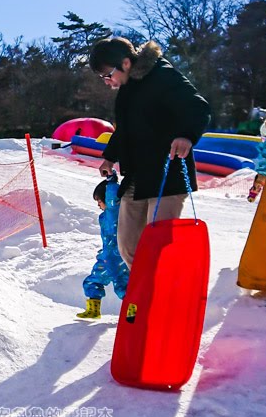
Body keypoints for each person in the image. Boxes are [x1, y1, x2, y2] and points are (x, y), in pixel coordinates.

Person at [90, 37, 211, 268]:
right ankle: (144, 294)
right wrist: (110, 156)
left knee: (156, 245)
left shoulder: (162, 76)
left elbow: (198, 107)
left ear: (125, 63)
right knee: (128, 244)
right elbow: (126, 128)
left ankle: (164, 295)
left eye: (108, 75)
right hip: (137, 175)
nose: (107, 81)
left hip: (167, 174)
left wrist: (186, 135)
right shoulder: (128, 89)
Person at [80, 176, 130, 319]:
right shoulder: (104, 217)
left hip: (119, 259)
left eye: (99, 201)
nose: (98, 205)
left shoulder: (115, 213)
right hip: (106, 258)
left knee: (123, 288)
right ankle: (93, 311)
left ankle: (134, 314)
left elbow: (113, 200)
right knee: (92, 282)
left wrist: (111, 182)